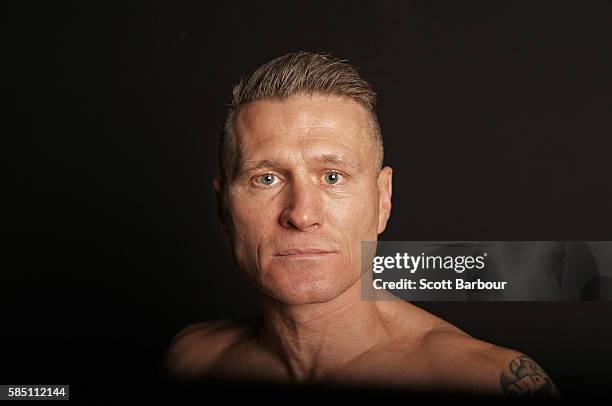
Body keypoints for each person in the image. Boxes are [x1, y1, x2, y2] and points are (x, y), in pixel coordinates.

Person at [162, 51, 561, 398]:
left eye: (332, 176)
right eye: (266, 178)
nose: (301, 215)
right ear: (222, 207)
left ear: (383, 200)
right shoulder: (194, 360)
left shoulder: (487, 383)